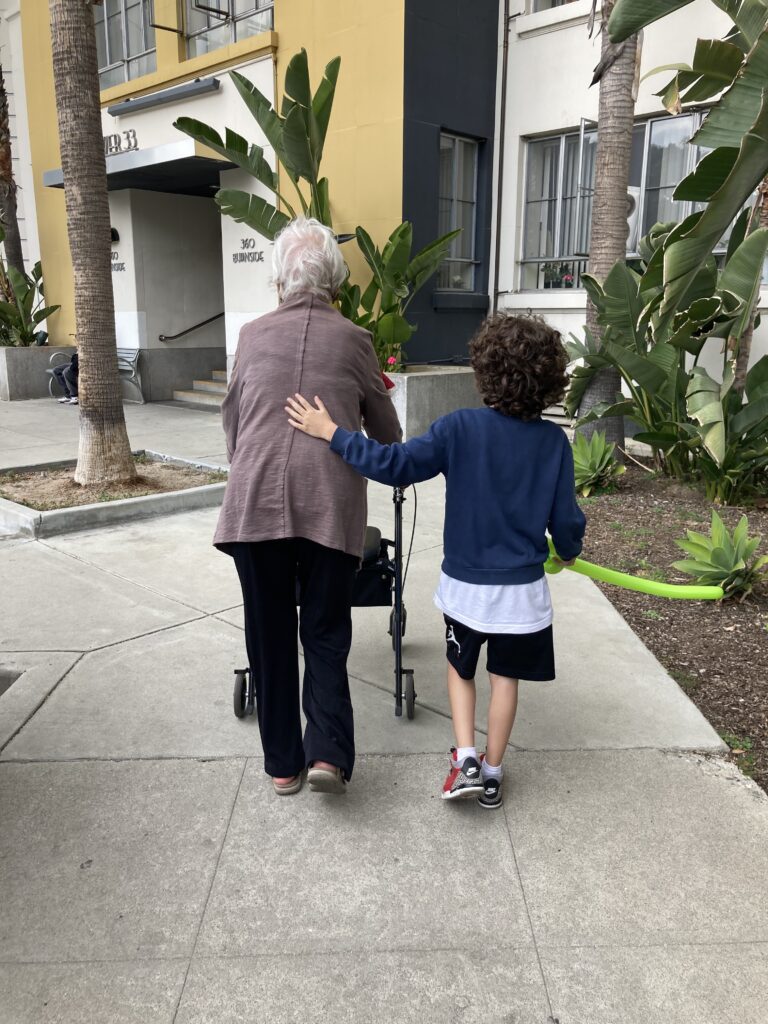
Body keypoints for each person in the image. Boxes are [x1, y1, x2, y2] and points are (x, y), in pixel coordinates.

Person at [286, 313, 586, 810]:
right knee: (505, 679)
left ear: (485, 370)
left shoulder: (459, 428)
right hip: (522, 594)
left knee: (460, 668)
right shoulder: (554, 443)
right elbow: (567, 521)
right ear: (549, 381)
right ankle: (492, 772)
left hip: (467, 590)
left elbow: (395, 465)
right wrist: (570, 552)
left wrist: (333, 433)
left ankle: (464, 757)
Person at [214, 217, 401, 797]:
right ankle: (327, 756)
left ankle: (282, 766)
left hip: (255, 505)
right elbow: (389, 438)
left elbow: (233, 421)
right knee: (324, 630)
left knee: (268, 635)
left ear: (279, 281)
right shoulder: (356, 340)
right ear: (336, 283)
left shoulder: (250, 336)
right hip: (329, 507)